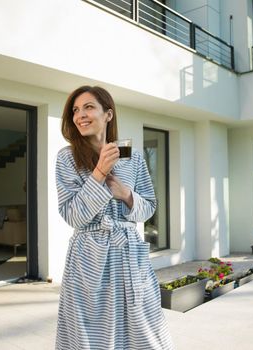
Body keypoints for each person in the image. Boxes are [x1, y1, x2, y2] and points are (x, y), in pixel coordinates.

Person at [55, 85, 173, 350]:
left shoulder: (132, 156)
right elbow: (73, 216)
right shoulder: (66, 157)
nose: (80, 115)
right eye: (75, 110)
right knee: (93, 337)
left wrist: (127, 195)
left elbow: (150, 206)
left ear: (108, 114)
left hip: (129, 254)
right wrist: (98, 173)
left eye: (88, 107)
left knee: (146, 332)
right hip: (89, 258)